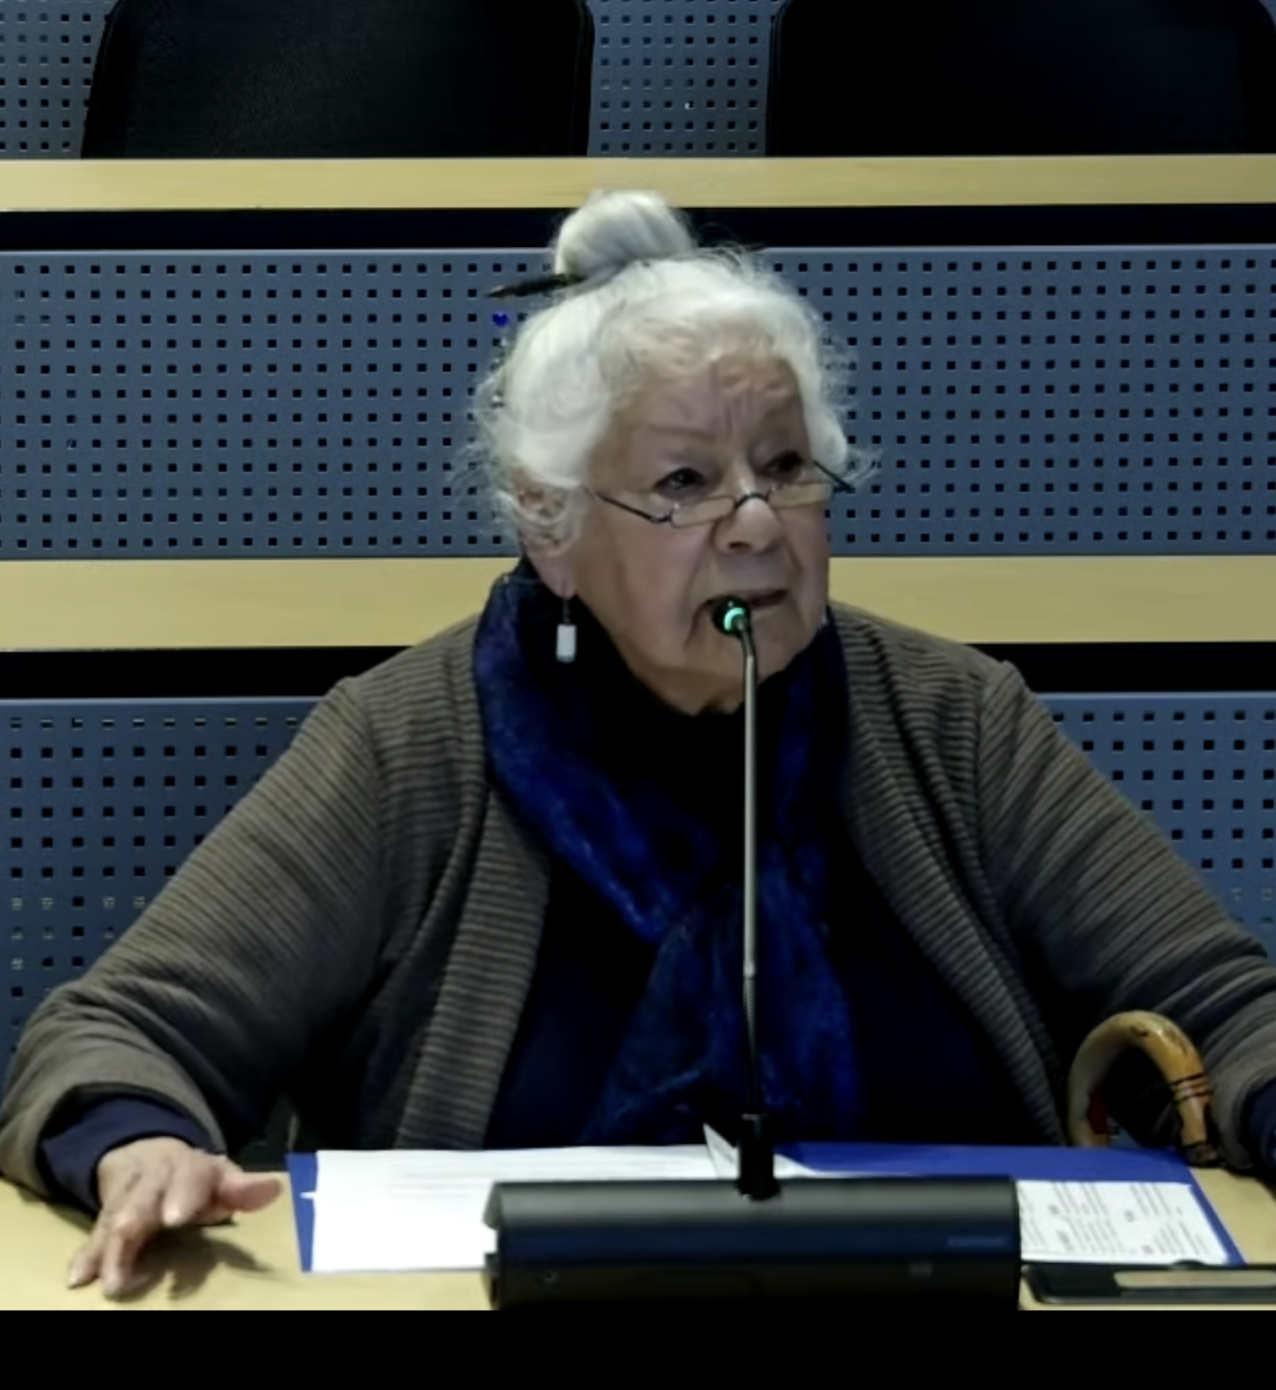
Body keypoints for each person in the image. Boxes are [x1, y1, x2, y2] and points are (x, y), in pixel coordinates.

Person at [3, 189, 1276, 1299]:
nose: (756, 525)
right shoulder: (407, 747)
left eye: (786, 466)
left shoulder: (952, 723)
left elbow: (1229, 1005)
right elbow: (116, 1031)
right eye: (682, 485)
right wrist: (139, 1144)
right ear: (550, 525)